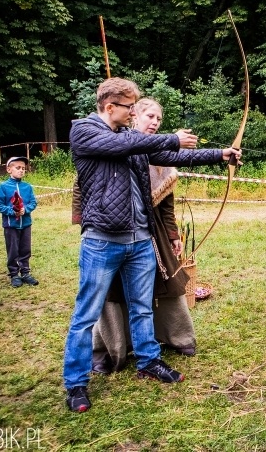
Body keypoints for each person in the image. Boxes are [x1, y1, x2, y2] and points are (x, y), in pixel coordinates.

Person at [63, 77, 240, 413]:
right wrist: (173, 137)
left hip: (139, 240)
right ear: (110, 106)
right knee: (85, 315)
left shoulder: (129, 137)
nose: (134, 113)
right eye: (130, 107)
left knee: (143, 306)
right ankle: (75, 384)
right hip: (101, 241)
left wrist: (221, 154)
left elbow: (171, 156)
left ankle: (148, 361)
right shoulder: (84, 131)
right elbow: (121, 148)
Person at [91, 98, 200, 375]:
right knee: (113, 290)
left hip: (152, 231)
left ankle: (176, 336)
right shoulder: (112, 143)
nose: (155, 122)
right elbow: (87, 188)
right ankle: (113, 346)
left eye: (159, 119)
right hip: (112, 232)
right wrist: (88, 224)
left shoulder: (159, 152)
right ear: (134, 116)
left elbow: (166, 203)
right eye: (150, 116)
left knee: (167, 282)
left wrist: (173, 234)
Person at [0, 156, 38, 288]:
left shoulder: (27, 187)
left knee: (25, 249)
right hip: (11, 225)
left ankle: (25, 272)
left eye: (23, 168)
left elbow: (33, 202)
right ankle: (14, 274)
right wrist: (12, 211)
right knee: (13, 249)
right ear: (9, 169)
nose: (21, 171)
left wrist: (26, 209)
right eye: (18, 168)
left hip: (25, 224)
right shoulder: (3, 187)